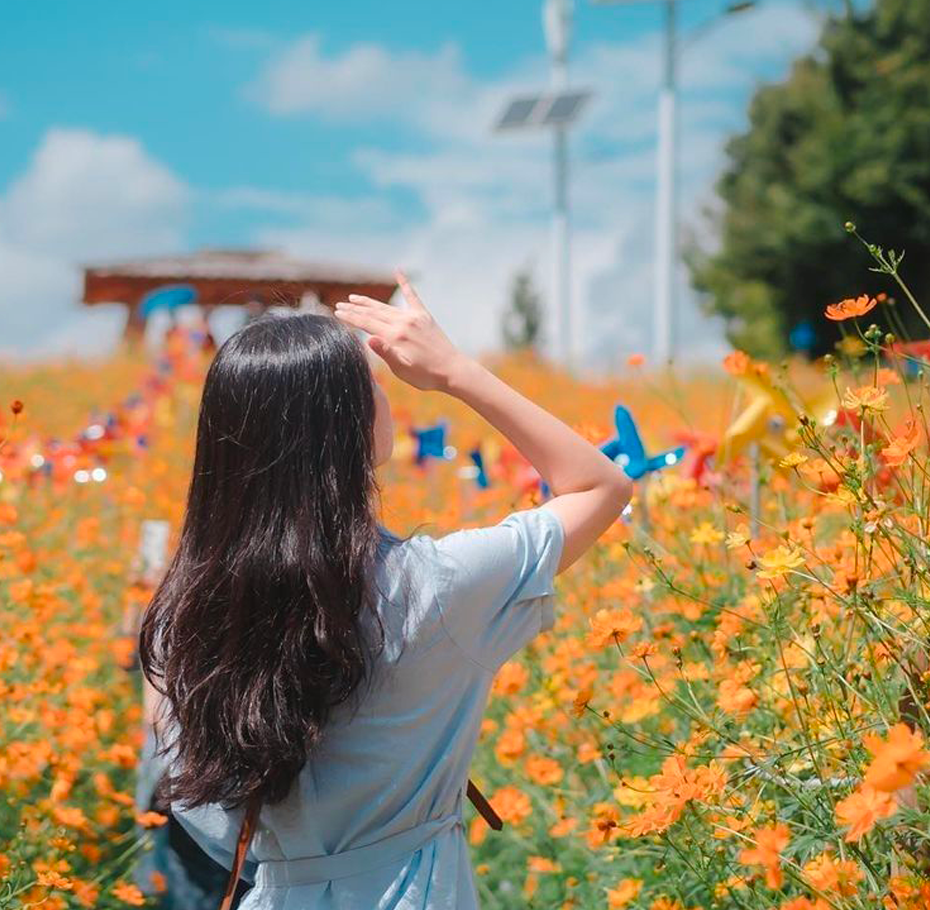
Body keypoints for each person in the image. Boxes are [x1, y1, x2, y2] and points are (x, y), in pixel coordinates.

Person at [138, 273, 632, 909]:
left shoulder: (194, 606)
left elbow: (197, 801)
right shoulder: (433, 586)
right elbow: (601, 488)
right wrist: (454, 370)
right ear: (346, 426)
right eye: (371, 382)